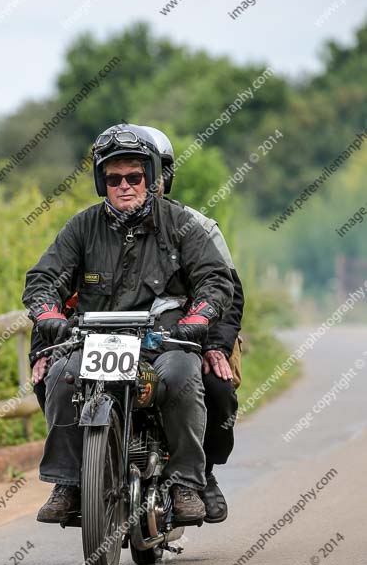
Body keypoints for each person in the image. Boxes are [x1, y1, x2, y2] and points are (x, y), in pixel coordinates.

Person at [22, 124, 234, 525]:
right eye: (113, 178)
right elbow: (44, 279)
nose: (124, 186)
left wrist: (198, 319)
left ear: (152, 179)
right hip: (95, 341)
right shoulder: (81, 227)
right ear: (102, 183)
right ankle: (68, 483)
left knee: (185, 375)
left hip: (165, 341)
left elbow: (215, 280)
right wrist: (48, 317)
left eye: (134, 177)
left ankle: (187, 481)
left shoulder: (183, 225)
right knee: (62, 375)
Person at [140, 126, 244, 523]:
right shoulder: (96, 227)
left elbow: (229, 291)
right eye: (121, 174)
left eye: (149, 172)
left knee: (216, 389)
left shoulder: (198, 225)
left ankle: (203, 475)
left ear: (164, 176)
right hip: (121, 337)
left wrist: (214, 344)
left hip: (192, 333)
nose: (142, 183)